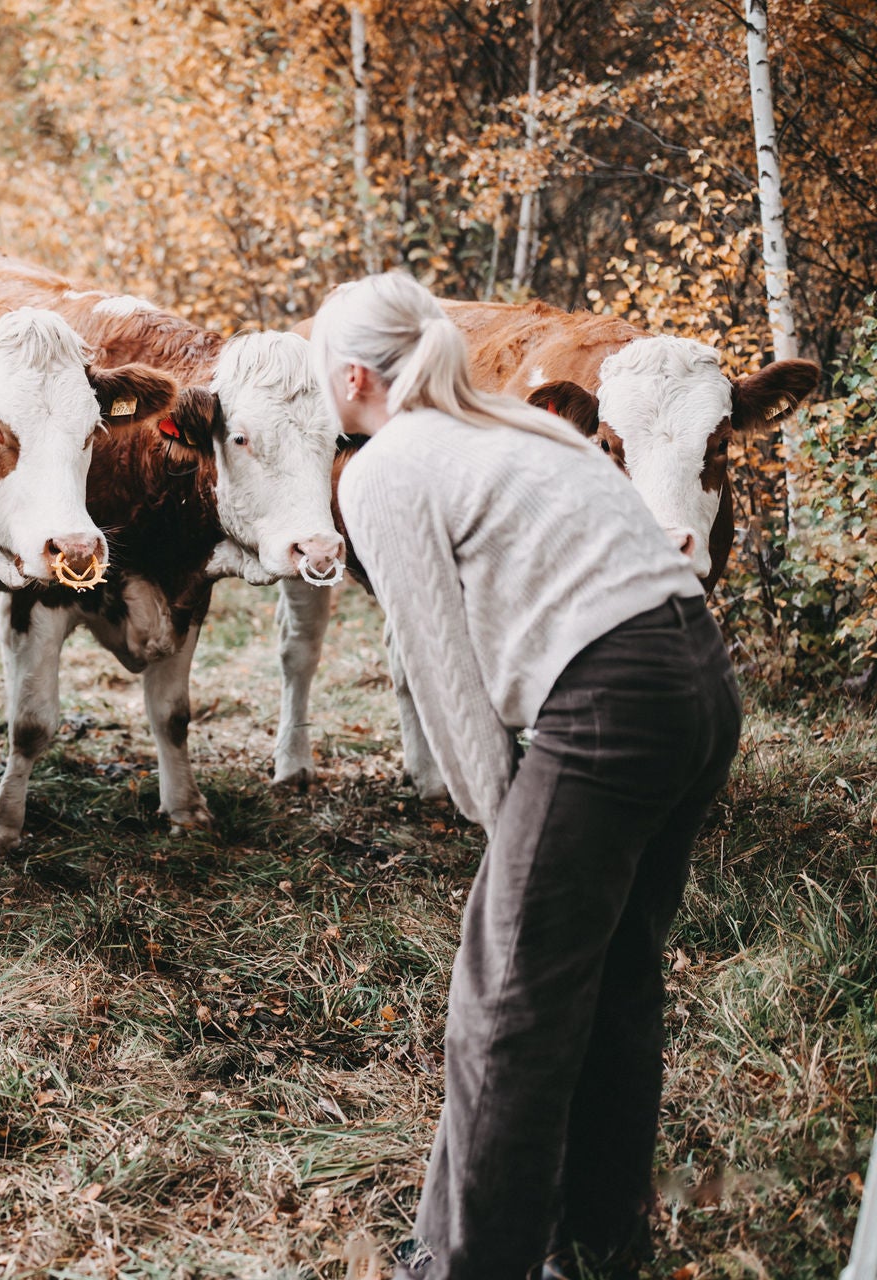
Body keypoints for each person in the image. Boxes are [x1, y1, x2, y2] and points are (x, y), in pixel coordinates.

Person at [312, 273, 742, 1279]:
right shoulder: (522, 428)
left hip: (613, 701)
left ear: (352, 376)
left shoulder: (384, 468)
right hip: (700, 683)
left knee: (506, 1000)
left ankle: (465, 1264)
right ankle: (595, 1246)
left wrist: (508, 828)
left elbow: (444, 676)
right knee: (616, 974)